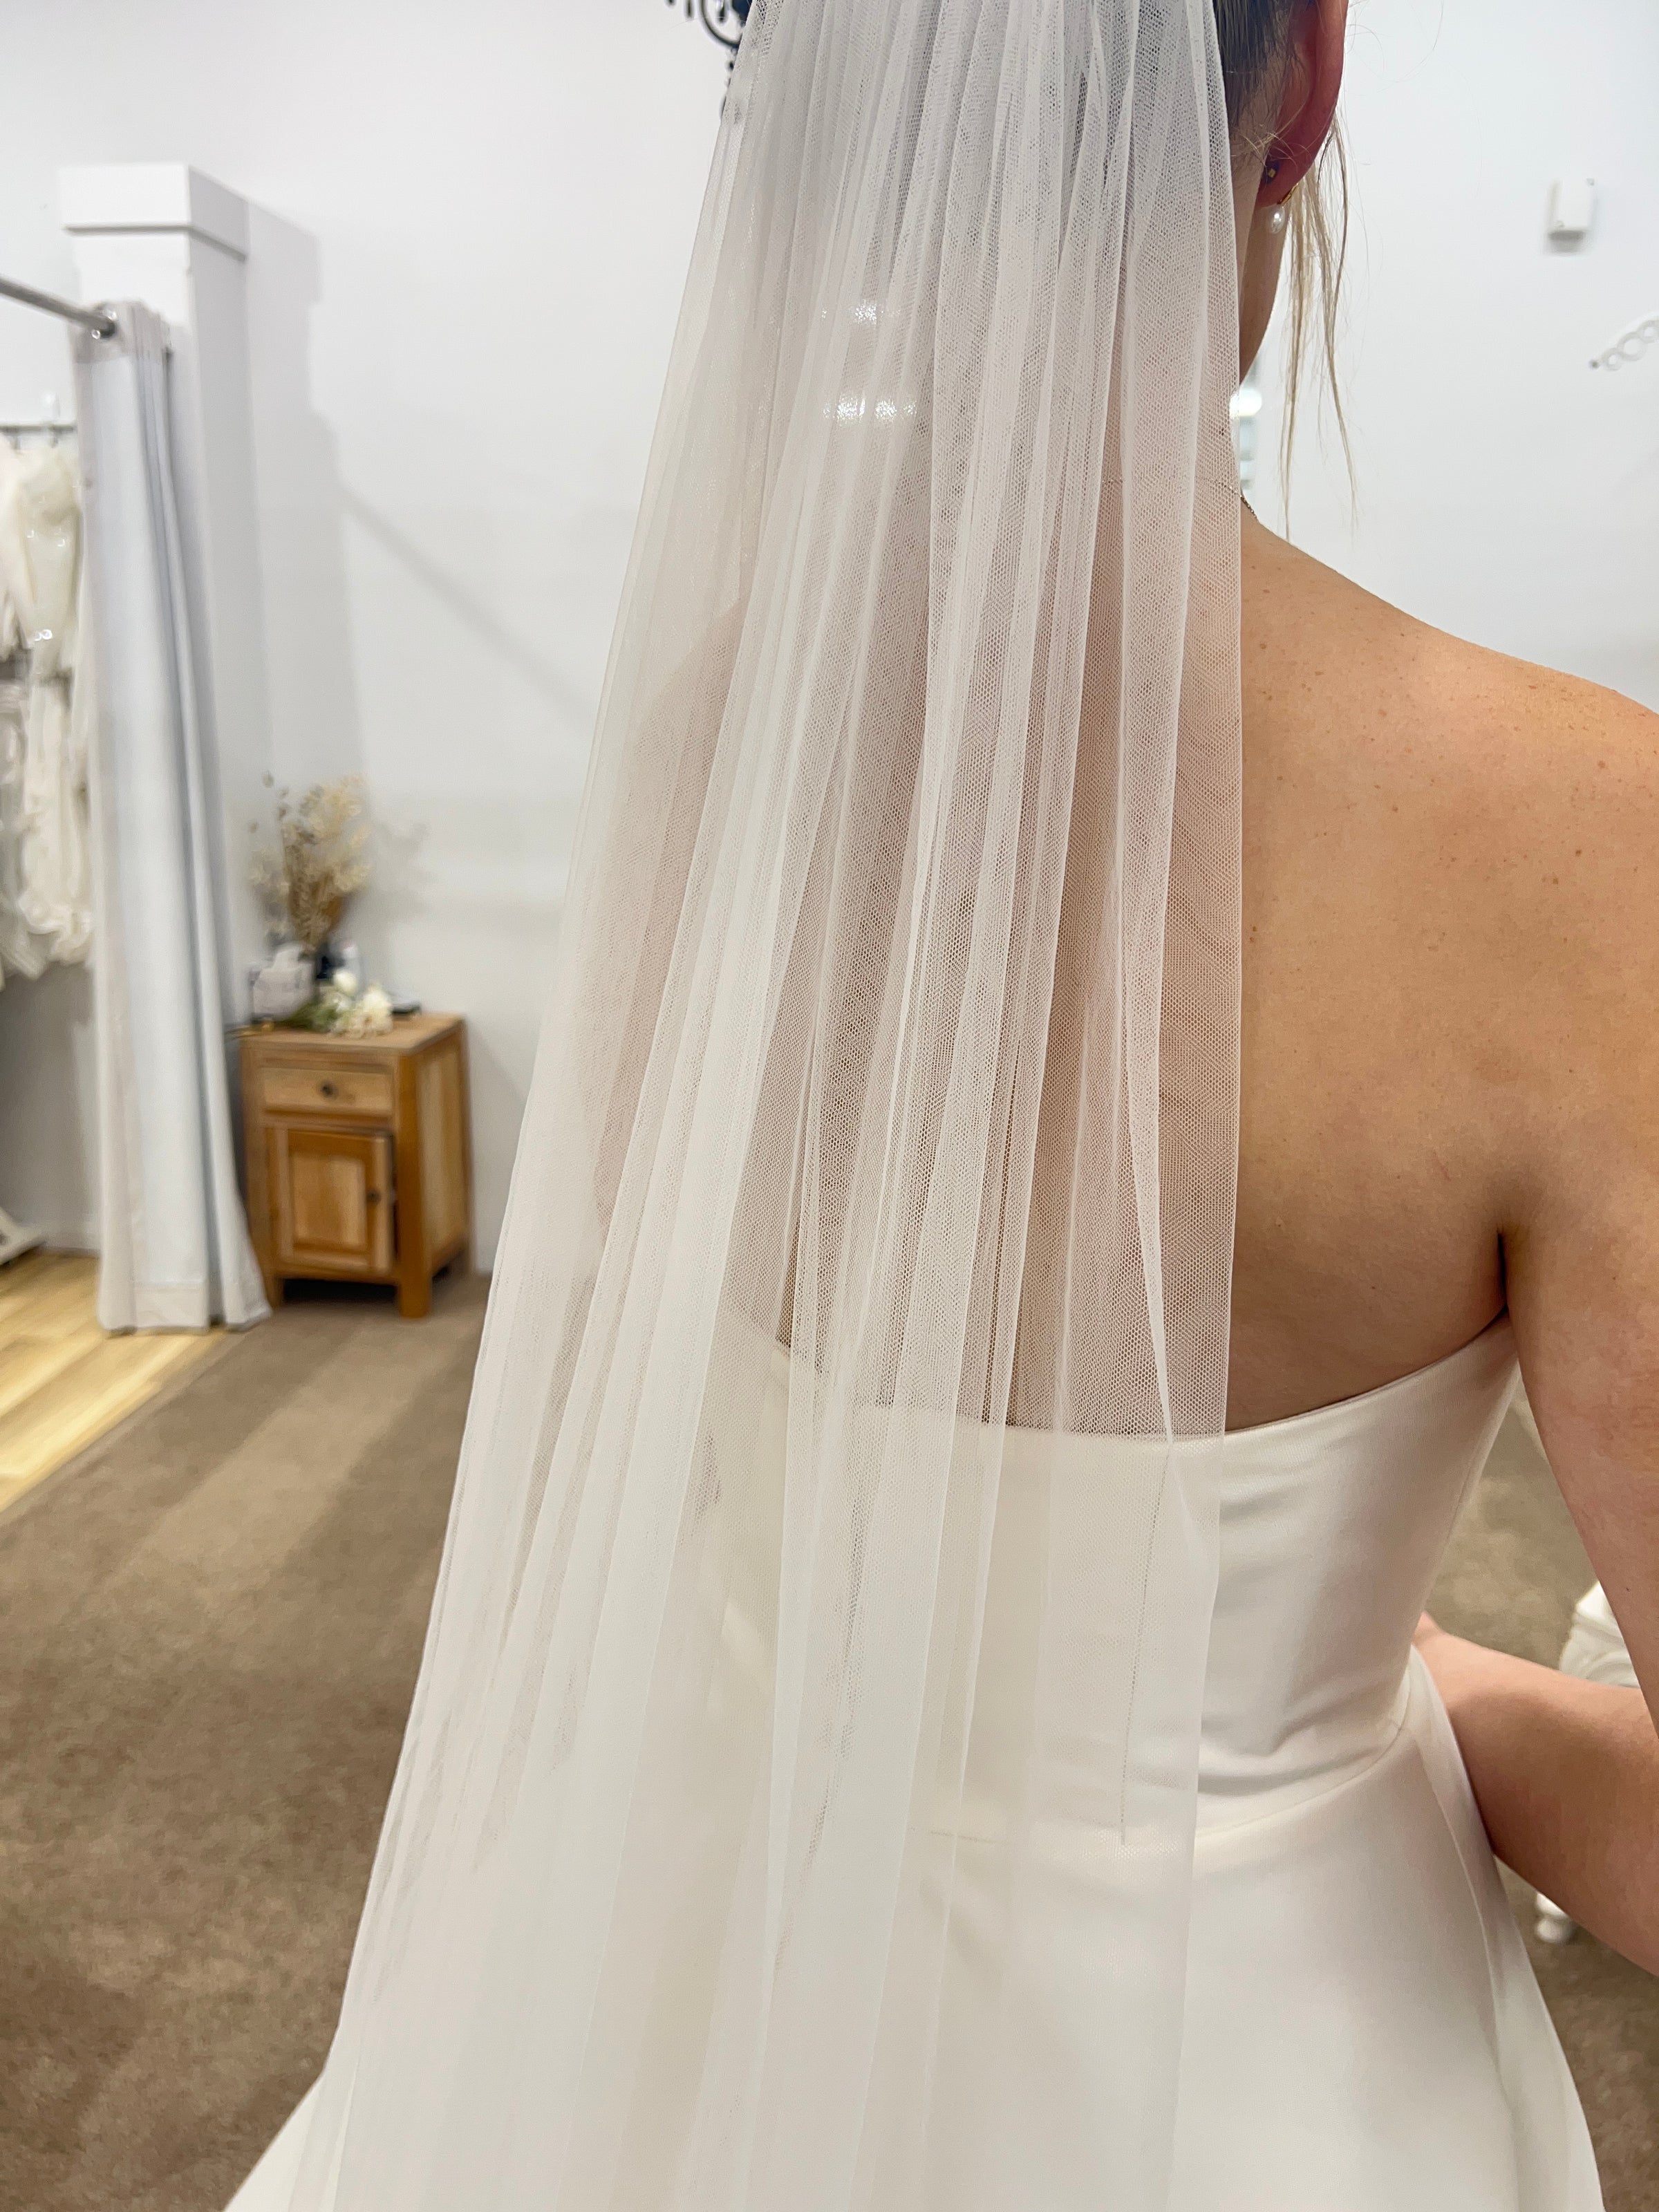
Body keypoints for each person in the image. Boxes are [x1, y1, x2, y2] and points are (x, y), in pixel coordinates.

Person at [227, 1, 1656, 2206]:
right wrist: (1453, 1707)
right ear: (1305, 80)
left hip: (705, 1923)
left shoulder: (711, 742)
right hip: (1266, 2056)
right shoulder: (1575, 854)